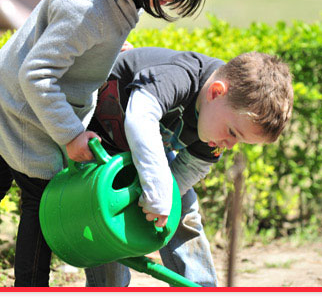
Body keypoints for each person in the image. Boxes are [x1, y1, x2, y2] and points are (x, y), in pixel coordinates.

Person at [0, 0, 210, 287]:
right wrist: (70, 134)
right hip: (26, 107)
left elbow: (76, 40)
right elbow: (37, 74)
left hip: (9, 87)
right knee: (40, 203)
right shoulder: (87, 6)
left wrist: (105, 50)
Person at [82, 47, 294, 287]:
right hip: (95, 146)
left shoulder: (216, 124)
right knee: (106, 226)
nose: (231, 145)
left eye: (239, 140)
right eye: (233, 132)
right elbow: (140, 117)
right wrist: (157, 190)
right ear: (216, 92)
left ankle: (200, 287)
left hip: (144, 154)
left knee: (182, 212)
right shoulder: (181, 75)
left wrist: (163, 203)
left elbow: (190, 169)